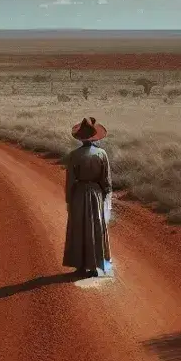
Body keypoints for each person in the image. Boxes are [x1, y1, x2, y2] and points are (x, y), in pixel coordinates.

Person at [63, 116, 112, 277]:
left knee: (78, 227)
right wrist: (105, 194)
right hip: (96, 194)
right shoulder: (102, 154)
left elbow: (70, 180)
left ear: (80, 137)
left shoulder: (74, 155)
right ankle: (94, 265)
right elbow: (106, 180)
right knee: (96, 227)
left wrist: (69, 199)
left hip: (79, 193)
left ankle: (80, 265)